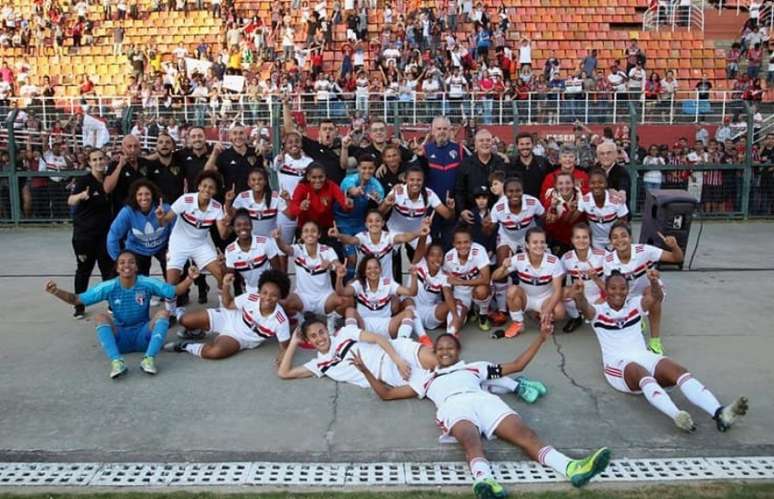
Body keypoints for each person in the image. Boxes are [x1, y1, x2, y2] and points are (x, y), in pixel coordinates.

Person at [351, 330, 611, 497]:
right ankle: (485, 482)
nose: (444, 351)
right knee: (470, 438)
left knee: (526, 434)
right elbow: (387, 394)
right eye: (439, 348)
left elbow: (517, 365)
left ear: (458, 352)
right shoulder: (426, 380)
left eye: (449, 348)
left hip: (485, 401)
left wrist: (541, 338)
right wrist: (365, 372)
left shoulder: (477, 368)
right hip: (454, 406)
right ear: (433, 352)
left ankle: (572, 468)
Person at [567, 269, 749, 432]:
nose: (618, 292)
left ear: (627, 289)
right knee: (642, 374)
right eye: (613, 288)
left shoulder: (635, 304)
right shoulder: (599, 312)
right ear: (606, 290)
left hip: (643, 356)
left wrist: (653, 281)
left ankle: (720, 413)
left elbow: (655, 298)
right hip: (618, 366)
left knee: (678, 371)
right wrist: (579, 294)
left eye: (622, 288)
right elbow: (584, 306)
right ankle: (677, 415)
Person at [45, 251, 200, 378]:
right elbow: (77, 299)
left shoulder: (146, 283)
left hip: (144, 337)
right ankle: (117, 361)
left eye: (131, 262)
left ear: (136, 267)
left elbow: (174, 291)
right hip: (121, 340)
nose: (127, 265)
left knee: (164, 313)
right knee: (100, 317)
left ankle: (149, 359)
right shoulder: (109, 286)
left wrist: (189, 278)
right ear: (117, 268)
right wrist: (56, 291)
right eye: (122, 262)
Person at [166, 270, 291, 362]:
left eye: (274, 295)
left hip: (240, 338)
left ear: (281, 297)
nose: (268, 298)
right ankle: (195, 332)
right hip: (228, 317)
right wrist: (226, 285)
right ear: (259, 291)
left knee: (215, 352)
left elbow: (284, 348)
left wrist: (281, 360)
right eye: (264, 292)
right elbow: (228, 304)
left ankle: (185, 346)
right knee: (185, 320)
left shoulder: (280, 321)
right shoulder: (251, 297)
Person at [157, 171, 230, 322]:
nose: (207, 190)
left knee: (221, 274)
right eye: (204, 186)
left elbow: (223, 235)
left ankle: (225, 308)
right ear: (198, 186)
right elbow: (165, 221)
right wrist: (160, 218)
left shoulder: (217, 207)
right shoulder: (186, 199)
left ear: (215, 191)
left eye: (211, 188)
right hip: (179, 242)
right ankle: (170, 313)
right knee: (171, 282)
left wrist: (226, 224)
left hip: (200, 244)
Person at [604, 222, 683, 355]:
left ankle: (655, 342)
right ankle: (637, 317)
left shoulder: (644, 250)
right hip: (627, 295)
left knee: (653, 295)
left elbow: (677, 258)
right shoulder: (609, 260)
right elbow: (611, 289)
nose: (620, 240)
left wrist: (674, 246)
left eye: (624, 236)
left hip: (651, 287)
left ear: (630, 238)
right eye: (615, 237)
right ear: (611, 242)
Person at [273, 220, 351, 332]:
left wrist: (333, 267)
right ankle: (300, 316)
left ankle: (331, 317)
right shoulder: (298, 249)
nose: (310, 234)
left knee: (347, 301)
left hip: (325, 298)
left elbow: (337, 265)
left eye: (313, 231)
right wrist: (278, 239)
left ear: (319, 235)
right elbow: (285, 248)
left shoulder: (327, 250)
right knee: (281, 302)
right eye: (306, 231)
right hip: (303, 297)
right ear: (302, 235)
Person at [380, 166, 455, 281]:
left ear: (423, 181)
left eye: (419, 180)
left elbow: (447, 215)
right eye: (412, 180)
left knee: (426, 257)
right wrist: (386, 203)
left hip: (417, 232)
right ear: (406, 180)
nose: (415, 183)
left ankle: (419, 280)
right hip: (394, 230)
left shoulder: (429, 194)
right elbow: (380, 213)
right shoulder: (397, 191)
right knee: (389, 261)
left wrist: (451, 208)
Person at [492, 227, 565, 338]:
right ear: (527, 244)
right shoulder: (519, 259)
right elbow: (494, 277)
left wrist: (548, 310)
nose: (539, 246)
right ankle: (518, 323)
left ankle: (542, 316)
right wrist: (503, 267)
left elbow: (558, 290)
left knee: (559, 312)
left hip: (545, 299)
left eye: (542, 242)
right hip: (525, 298)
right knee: (512, 291)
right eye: (534, 242)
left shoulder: (554, 261)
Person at [67, 148, 114, 319]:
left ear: (106, 160)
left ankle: (112, 303)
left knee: (107, 270)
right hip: (84, 235)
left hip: (104, 235)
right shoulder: (84, 181)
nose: (98, 162)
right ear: (89, 163)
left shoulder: (109, 180)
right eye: (94, 160)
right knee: (83, 270)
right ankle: (79, 305)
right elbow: (70, 200)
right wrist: (80, 196)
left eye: (101, 159)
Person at [335, 255, 427, 342]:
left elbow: (412, 292)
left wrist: (414, 276)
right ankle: (352, 341)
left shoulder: (388, 283)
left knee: (408, 313)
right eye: (369, 268)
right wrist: (339, 278)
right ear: (364, 271)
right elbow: (341, 292)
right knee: (350, 311)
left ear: (380, 269)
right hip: (364, 326)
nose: (373, 271)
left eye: (376, 267)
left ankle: (401, 343)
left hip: (387, 326)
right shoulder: (359, 283)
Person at [488, 177, 545, 318]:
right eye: (510, 191)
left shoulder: (532, 202)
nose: (514, 194)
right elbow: (490, 230)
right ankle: (502, 309)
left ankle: (534, 303)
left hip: (528, 236)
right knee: (502, 263)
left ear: (523, 191)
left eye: (518, 191)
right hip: (508, 237)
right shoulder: (498, 208)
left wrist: (539, 238)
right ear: (505, 192)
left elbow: (543, 217)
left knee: (536, 264)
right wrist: (486, 227)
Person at [328, 209, 427, 281]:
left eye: (377, 221)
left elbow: (404, 237)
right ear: (366, 224)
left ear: (383, 223)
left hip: (386, 282)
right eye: (370, 221)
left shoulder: (388, 237)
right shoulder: (362, 236)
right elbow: (350, 240)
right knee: (348, 292)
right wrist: (339, 235)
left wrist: (419, 232)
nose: (374, 223)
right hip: (363, 281)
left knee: (395, 305)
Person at [107, 179, 173, 277]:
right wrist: (117, 259)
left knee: (175, 266)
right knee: (138, 281)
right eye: (140, 194)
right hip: (137, 248)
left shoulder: (166, 208)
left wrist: (172, 249)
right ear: (134, 196)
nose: (144, 197)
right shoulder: (127, 212)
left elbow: (176, 231)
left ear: (153, 195)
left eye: (147, 194)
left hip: (162, 246)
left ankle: (177, 291)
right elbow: (113, 236)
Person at [444, 226, 493, 333]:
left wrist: (461, 281)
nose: (462, 246)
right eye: (459, 243)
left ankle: (483, 315)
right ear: (453, 244)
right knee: (457, 322)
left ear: (471, 242)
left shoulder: (479, 250)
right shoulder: (448, 257)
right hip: (461, 293)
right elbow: (448, 282)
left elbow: (486, 279)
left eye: (466, 242)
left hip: (478, 287)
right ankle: (469, 312)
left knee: (481, 291)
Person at [560, 223, 606, 333]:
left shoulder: (602, 255)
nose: (581, 241)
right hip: (580, 296)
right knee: (561, 292)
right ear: (572, 240)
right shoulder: (567, 258)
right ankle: (576, 317)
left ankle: (599, 315)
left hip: (601, 297)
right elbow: (558, 280)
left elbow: (615, 283)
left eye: (585, 237)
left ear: (590, 239)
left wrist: (596, 279)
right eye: (577, 237)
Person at [271, 131, 314, 245]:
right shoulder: (281, 159)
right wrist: (281, 157)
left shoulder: (309, 161)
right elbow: (276, 166)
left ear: (301, 144)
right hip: (286, 208)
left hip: (304, 207)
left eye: (297, 141)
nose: (293, 144)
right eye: (290, 142)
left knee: (305, 245)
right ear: (284, 145)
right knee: (283, 246)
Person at [224, 209, 281, 294]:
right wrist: (222, 265)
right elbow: (230, 276)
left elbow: (277, 270)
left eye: (246, 224)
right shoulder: (230, 250)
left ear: (251, 226)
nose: (242, 227)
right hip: (249, 290)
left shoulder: (265, 242)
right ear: (233, 228)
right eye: (238, 225)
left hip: (269, 287)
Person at [577, 168, 629, 250]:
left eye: (601, 182)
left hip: (614, 240)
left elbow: (624, 222)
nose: (596, 185)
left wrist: (620, 241)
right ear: (589, 184)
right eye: (593, 183)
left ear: (606, 184)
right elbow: (572, 220)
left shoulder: (617, 200)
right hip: (595, 241)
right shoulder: (584, 200)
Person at [231, 167, 286, 238]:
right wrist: (228, 201)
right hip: (251, 241)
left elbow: (291, 216)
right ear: (248, 183)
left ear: (265, 182)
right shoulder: (242, 196)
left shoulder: (274, 196)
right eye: (253, 180)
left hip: (271, 241)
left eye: (260, 179)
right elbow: (231, 214)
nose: (256, 182)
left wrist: (287, 200)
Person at [104, 134, 149, 215]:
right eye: (129, 146)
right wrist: (120, 166)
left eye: (136, 146)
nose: (133, 149)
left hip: (143, 213)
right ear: (123, 148)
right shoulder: (114, 165)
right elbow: (107, 188)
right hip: (122, 213)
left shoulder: (145, 163)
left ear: (139, 148)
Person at [542, 172, 584, 256]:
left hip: (577, 237)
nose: (564, 186)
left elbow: (580, 221)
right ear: (556, 186)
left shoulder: (580, 197)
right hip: (557, 238)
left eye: (568, 183)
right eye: (560, 183)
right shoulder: (551, 197)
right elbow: (550, 225)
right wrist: (553, 207)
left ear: (573, 184)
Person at [506, 132, 549, 198]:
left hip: (539, 204)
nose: (525, 147)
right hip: (518, 204)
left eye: (527, 144)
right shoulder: (511, 165)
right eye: (522, 144)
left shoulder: (543, 162)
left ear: (533, 145)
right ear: (517, 146)